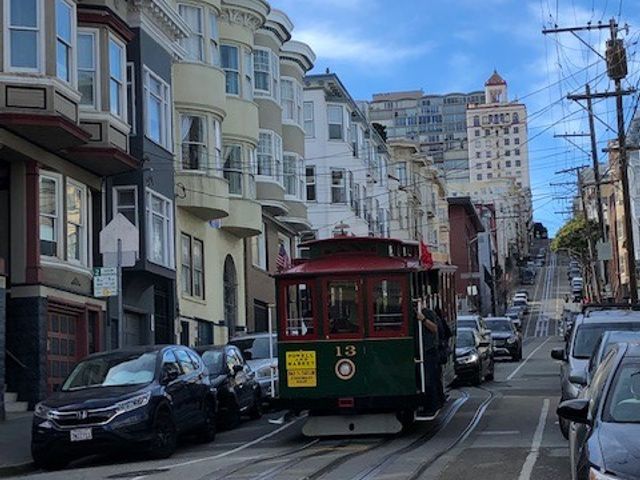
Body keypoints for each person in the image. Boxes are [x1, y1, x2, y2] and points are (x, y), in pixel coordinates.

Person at [416, 306, 450, 416]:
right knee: (429, 378)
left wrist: (423, 319)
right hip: (422, 352)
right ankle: (435, 402)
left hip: (430, 352)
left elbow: (435, 329)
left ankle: (432, 406)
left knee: (429, 379)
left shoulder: (428, 313)